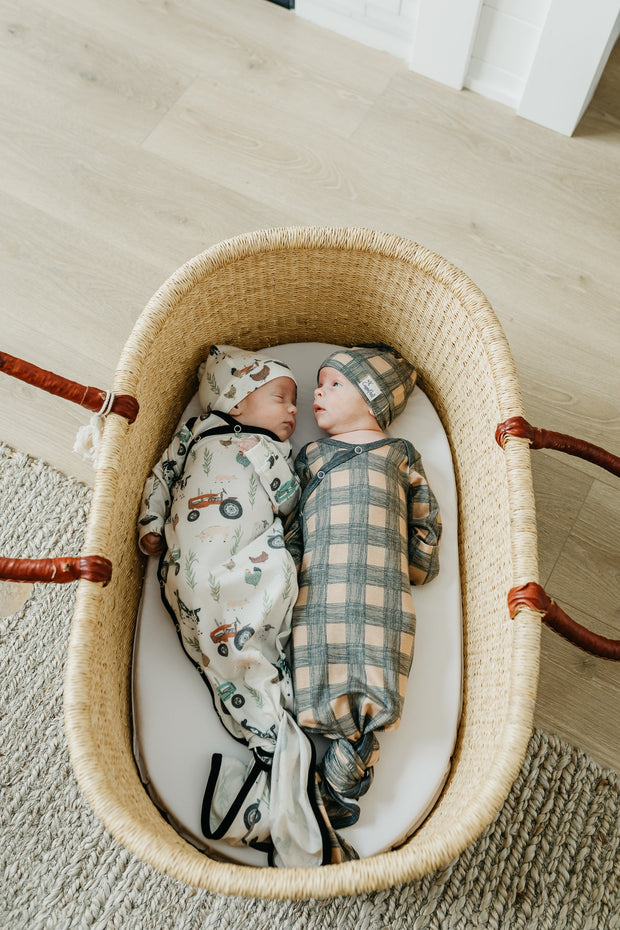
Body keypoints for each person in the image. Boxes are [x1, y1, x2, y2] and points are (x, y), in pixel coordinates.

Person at [138, 345, 353, 867]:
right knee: (218, 651)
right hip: (190, 571)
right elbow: (161, 476)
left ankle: (269, 757)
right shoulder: (196, 433)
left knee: (246, 655)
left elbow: (288, 507)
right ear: (235, 399)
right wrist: (149, 525)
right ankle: (277, 764)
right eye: (281, 397)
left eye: (295, 405)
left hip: (244, 568)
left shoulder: (274, 453)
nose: (292, 413)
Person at [285, 345, 442, 830]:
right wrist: (284, 568)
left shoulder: (398, 454)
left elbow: (425, 513)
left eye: (334, 383)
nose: (317, 393)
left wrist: (421, 559)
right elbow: (292, 522)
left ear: (373, 399)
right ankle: (335, 759)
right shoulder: (311, 455)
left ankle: (348, 755)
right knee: (321, 645)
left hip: (383, 592)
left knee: (377, 645)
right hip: (320, 589)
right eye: (319, 384)